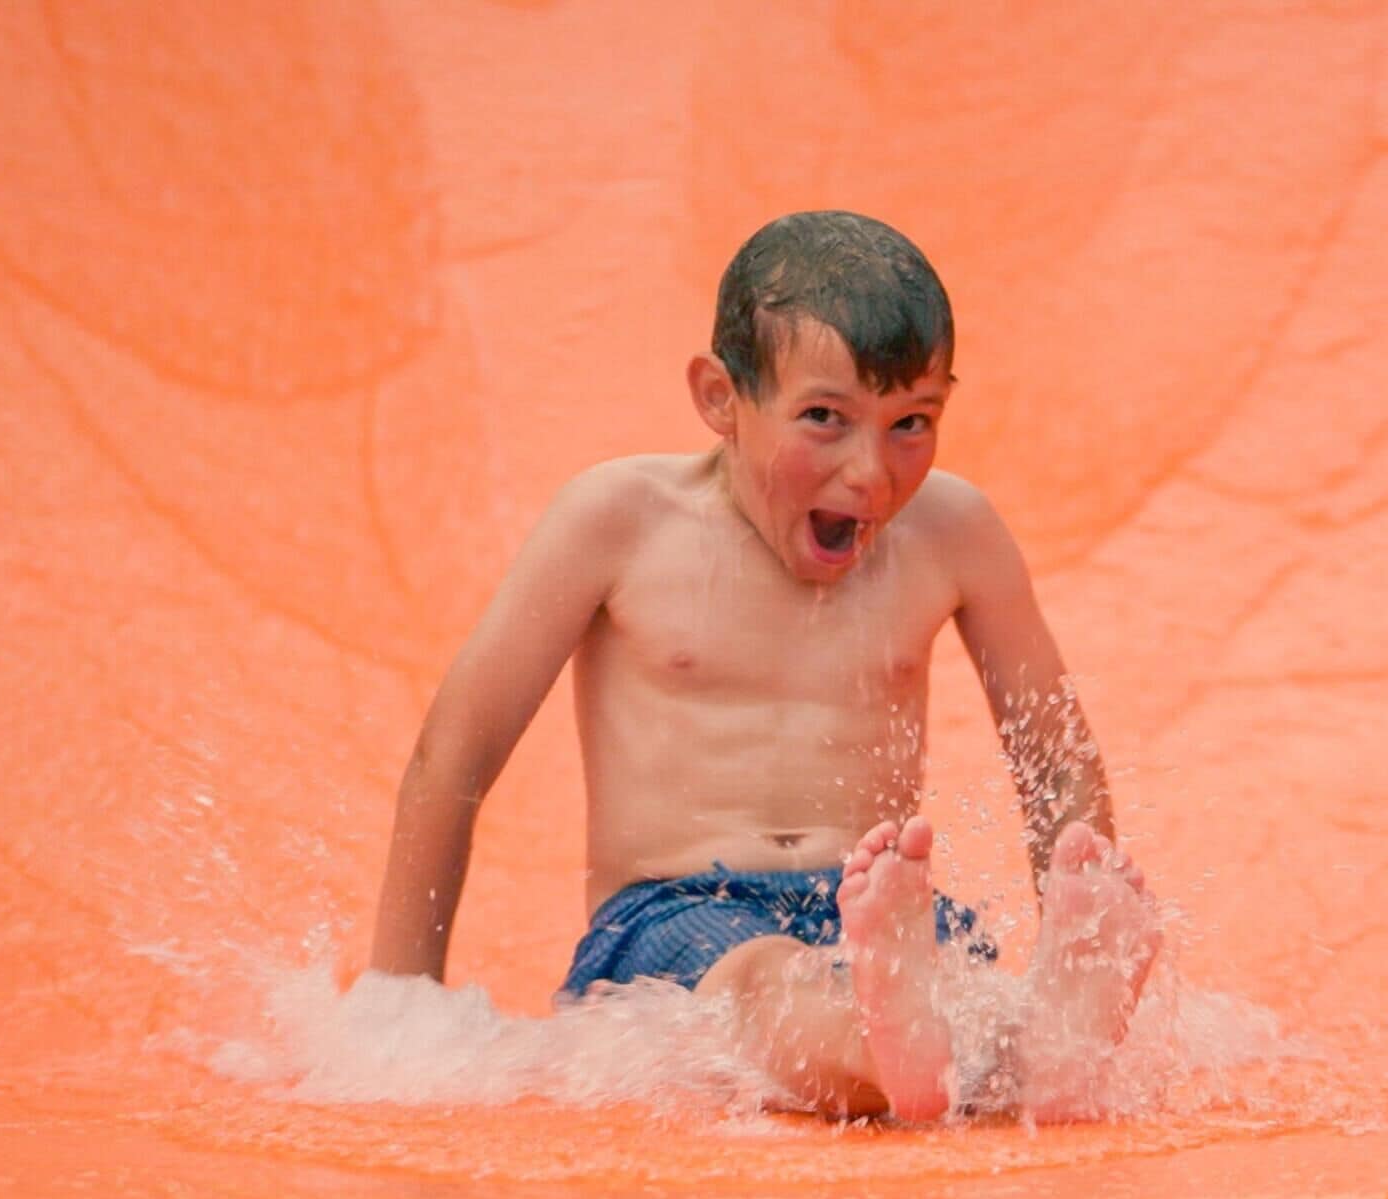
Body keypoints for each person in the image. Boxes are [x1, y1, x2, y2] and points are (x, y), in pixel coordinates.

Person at [363, 210, 1156, 1123]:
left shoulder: (954, 531)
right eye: (824, 419)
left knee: (965, 1000)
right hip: (675, 912)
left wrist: (1077, 906)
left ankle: (1030, 1028)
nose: (871, 473)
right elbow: (455, 751)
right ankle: (896, 1036)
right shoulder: (618, 522)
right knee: (767, 990)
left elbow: (1052, 754)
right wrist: (398, 1003)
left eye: (912, 423)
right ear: (719, 397)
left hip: (878, 899)